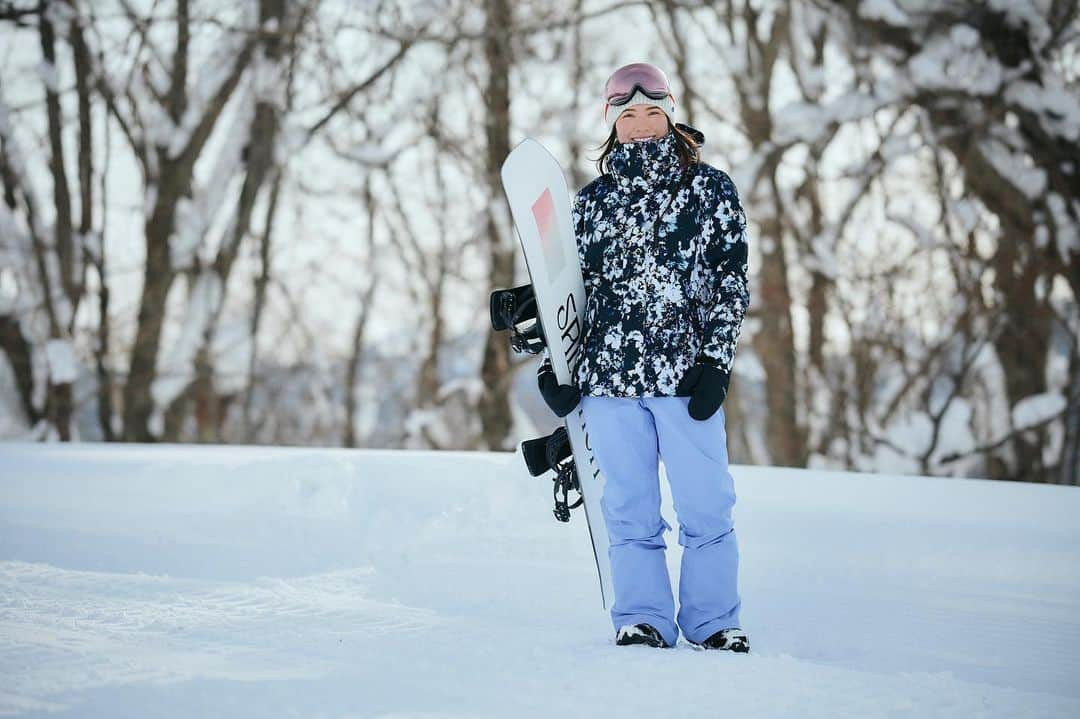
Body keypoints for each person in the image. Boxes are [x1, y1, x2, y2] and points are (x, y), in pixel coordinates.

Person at [536, 62, 751, 652]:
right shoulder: (590, 205)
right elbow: (565, 297)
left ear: (670, 115)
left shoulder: (709, 190)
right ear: (612, 123)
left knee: (706, 506)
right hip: (610, 385)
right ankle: (643, 618)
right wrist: (560, 372)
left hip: (686, 381)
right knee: (630, 511)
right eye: (626, 115)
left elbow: (729, 282)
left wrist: (716, 361)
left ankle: (713, 622)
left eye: (651, 112)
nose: (640, 124)